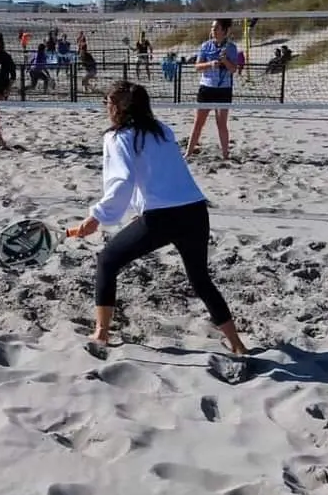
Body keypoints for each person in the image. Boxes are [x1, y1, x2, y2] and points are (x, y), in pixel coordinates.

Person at [68, 80, 247, 357]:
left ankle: (101, 334)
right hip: (196, 211)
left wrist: (96, 217)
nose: (106, 107)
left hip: (162, 218)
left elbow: (122, 182)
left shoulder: (118, 137)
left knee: (107, 261)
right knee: (200, 280)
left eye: (107, 102)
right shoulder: (162, 130)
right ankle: (237, 344)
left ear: (118, 108)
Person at [185, 18, 241, 159]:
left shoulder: (231, 48)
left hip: (223, 89)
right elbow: (197, 67)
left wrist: (225, 61)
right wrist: (211, 64)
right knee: (198, 122)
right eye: (212, 28)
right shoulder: (205, 46)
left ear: (224, 31)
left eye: (216, 28)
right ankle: (188, 153)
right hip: (207, 88)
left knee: (221, 123)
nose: (213, 30)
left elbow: (234, 69)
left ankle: (225, 155)